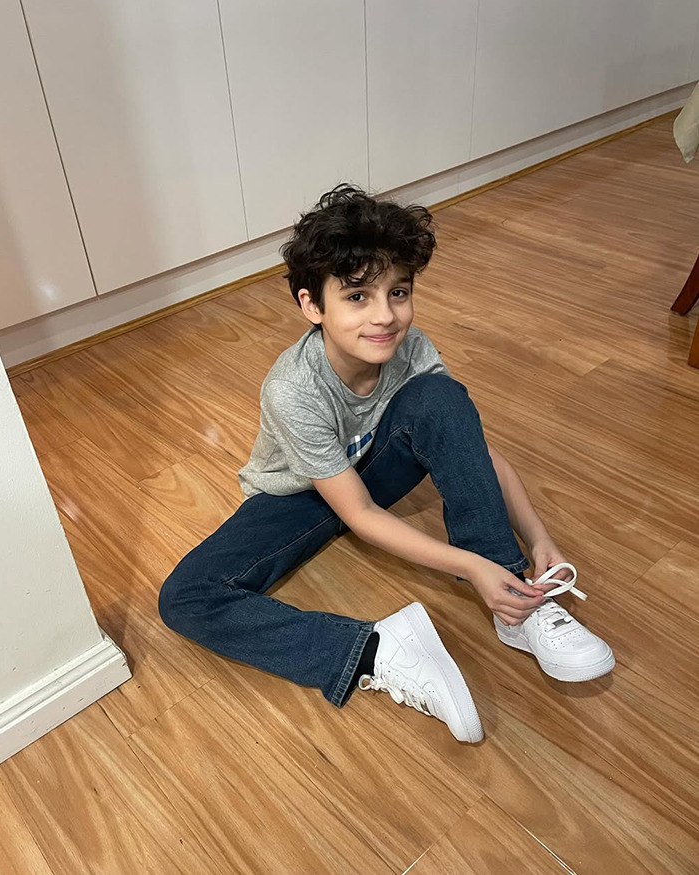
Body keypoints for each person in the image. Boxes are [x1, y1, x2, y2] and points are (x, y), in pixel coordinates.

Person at [159, 184, 614, 743]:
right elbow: (360, 514)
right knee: (186, 597)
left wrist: (537, 537)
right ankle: (378, 649)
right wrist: (466, 567)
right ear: (311, 305)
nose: (385, 317)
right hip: (295, 497)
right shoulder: (293, 390)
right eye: (357, 297)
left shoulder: (412, 347)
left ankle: (518, 599)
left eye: (398, 292)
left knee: (442, 401)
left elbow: (474, 449)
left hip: (373, 470)